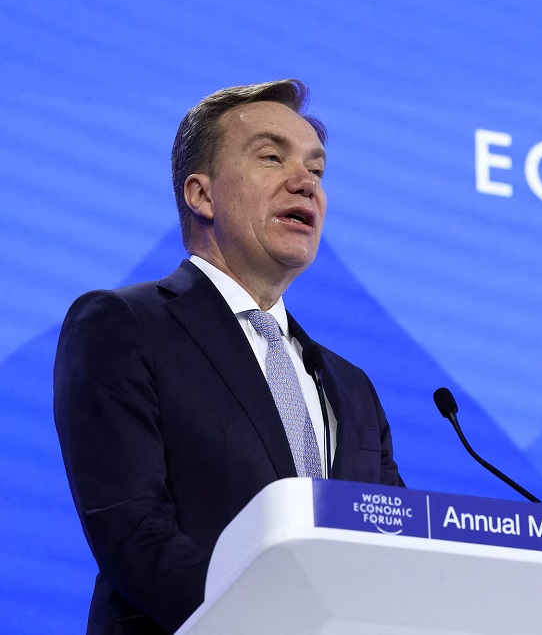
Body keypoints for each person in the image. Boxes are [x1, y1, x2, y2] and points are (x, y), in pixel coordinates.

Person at [53, 79, 404, 635]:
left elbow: (396, 550)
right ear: (201, 195)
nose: (305, 183)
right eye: (272, 158)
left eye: (316, 170)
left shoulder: (351, 386)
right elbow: (132, 533)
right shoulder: (124, 326)